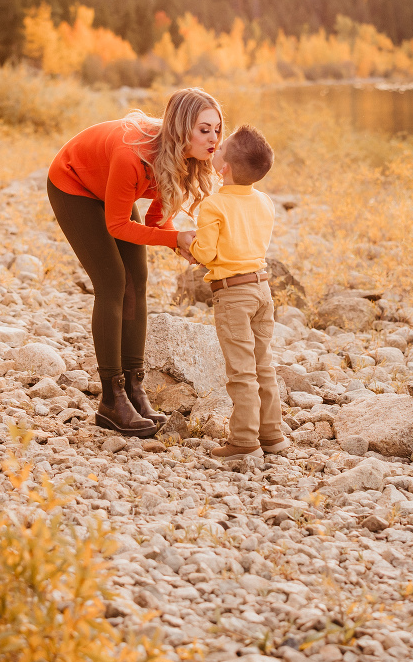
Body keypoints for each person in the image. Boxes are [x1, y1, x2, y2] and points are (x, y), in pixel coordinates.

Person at [47, 88, 222, 437]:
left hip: (109, 185)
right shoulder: (133, 155)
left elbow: (157, 219)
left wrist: (179, 242)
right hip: (73, 183)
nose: (214, 138)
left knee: (136, 280)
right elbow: (117, 226)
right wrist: (173, 238)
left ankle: (134, 390)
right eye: (205, 129)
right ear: (182, 127)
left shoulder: (181, 155)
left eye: (218, 129)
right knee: (112, 282)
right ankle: (112, 400)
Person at [190, 125, 285, 459]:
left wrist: (191, 241)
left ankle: (244, 441)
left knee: (241, 371)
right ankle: (272, 435)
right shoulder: (265, 202)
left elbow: (205, 254)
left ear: (224, 168)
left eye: (220, 150)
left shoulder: (214, 205)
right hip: (262, 289)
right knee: (264, 366)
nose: (214, 149)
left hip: (232, 295)